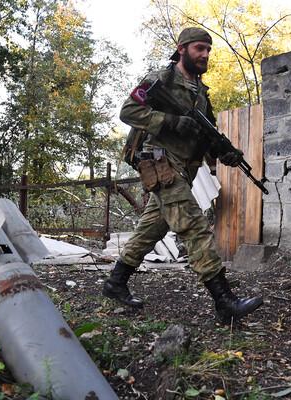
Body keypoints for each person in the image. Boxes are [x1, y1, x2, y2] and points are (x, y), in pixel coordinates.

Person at [103, 27, 263, 324]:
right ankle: (224, 300)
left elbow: (207, 133)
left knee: (152, 229)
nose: (205, 55)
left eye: (208, 50)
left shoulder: (201, 93)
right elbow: (128, 111)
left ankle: (115, 283)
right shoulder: (160, 80)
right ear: (182, 49)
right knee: (193, 226)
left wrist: (224, 152)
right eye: (199, 48)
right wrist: (170, 122)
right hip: (160, 163)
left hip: (185, 169)